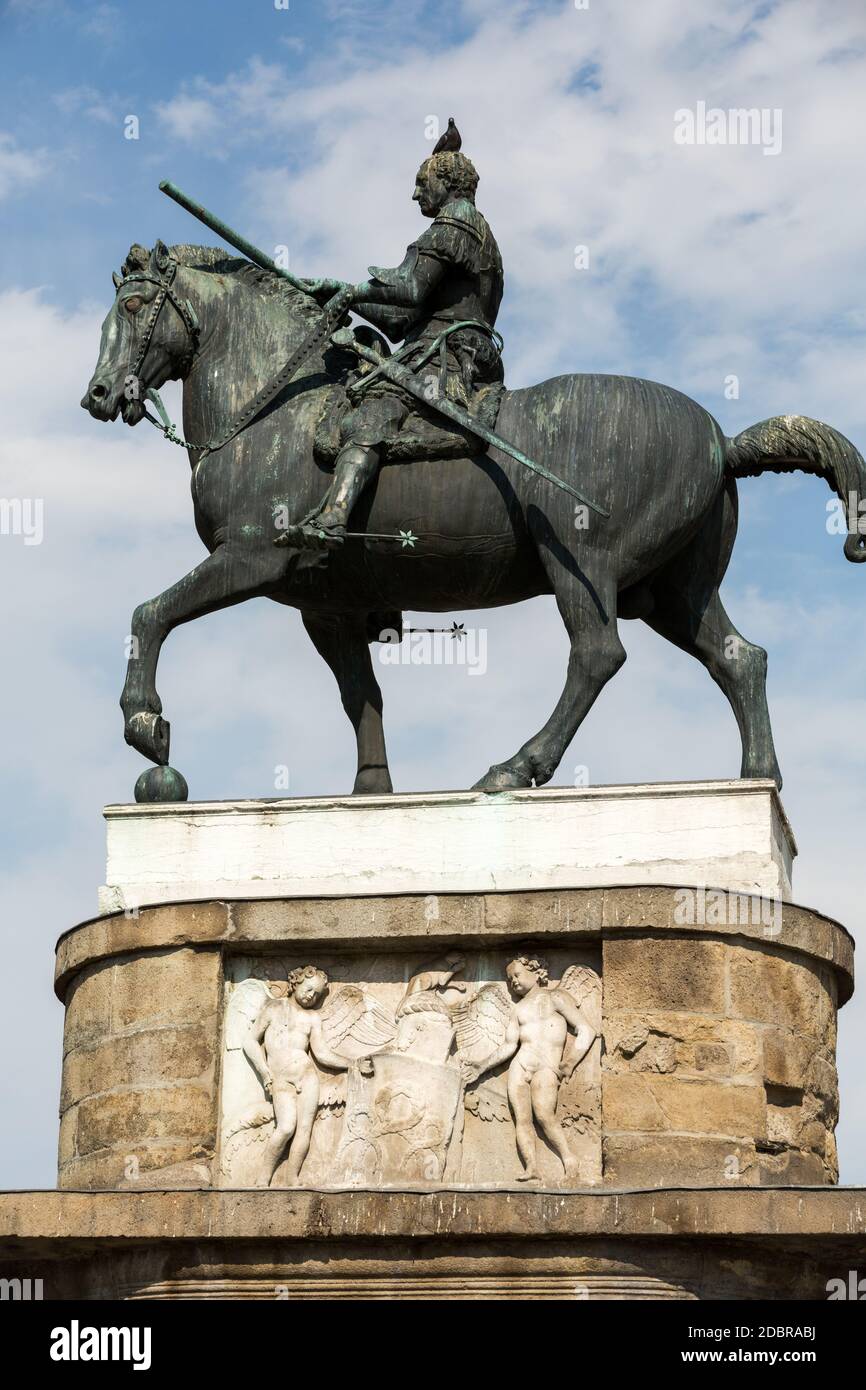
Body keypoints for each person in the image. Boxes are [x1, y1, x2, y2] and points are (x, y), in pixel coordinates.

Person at [276, 137, 504, 551]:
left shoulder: (455, 223)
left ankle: (334, 517)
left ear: (449, 182)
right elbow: (401, 321)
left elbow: (411, 287)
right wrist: (340, 297)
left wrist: (348, 288)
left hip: (449, 354)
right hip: (451, 347)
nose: (416, 192)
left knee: (377, 408)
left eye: (423, 182)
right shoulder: (475, 230)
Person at [462, 953, 595, 1182]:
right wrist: (480, 1067)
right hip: (521, 1065)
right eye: (509, 978)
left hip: (547, 1066)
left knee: (544, 1114)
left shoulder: (556, 998)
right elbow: (509, 1045)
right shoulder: (518, 1009)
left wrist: (571, 1062)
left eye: (517, 974)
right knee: (522, 1119)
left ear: (535, 971)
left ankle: (569, 1158)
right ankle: (532, 1166)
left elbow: (586, 1030)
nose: (513, 981)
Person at [243, 965, 351, 1186]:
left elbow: (321, 1053)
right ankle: (263, 1177)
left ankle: (292, 1177)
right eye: (309, 988)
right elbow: (250, 1041)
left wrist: (353, 1064)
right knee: (286, 1127)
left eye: (317, 994)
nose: (311, 995)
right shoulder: (273, 1008)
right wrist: (265, 1073)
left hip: (307, 1076)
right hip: (281, 1079)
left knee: (304, 1130)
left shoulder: (312, 1019)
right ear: (296, 982)